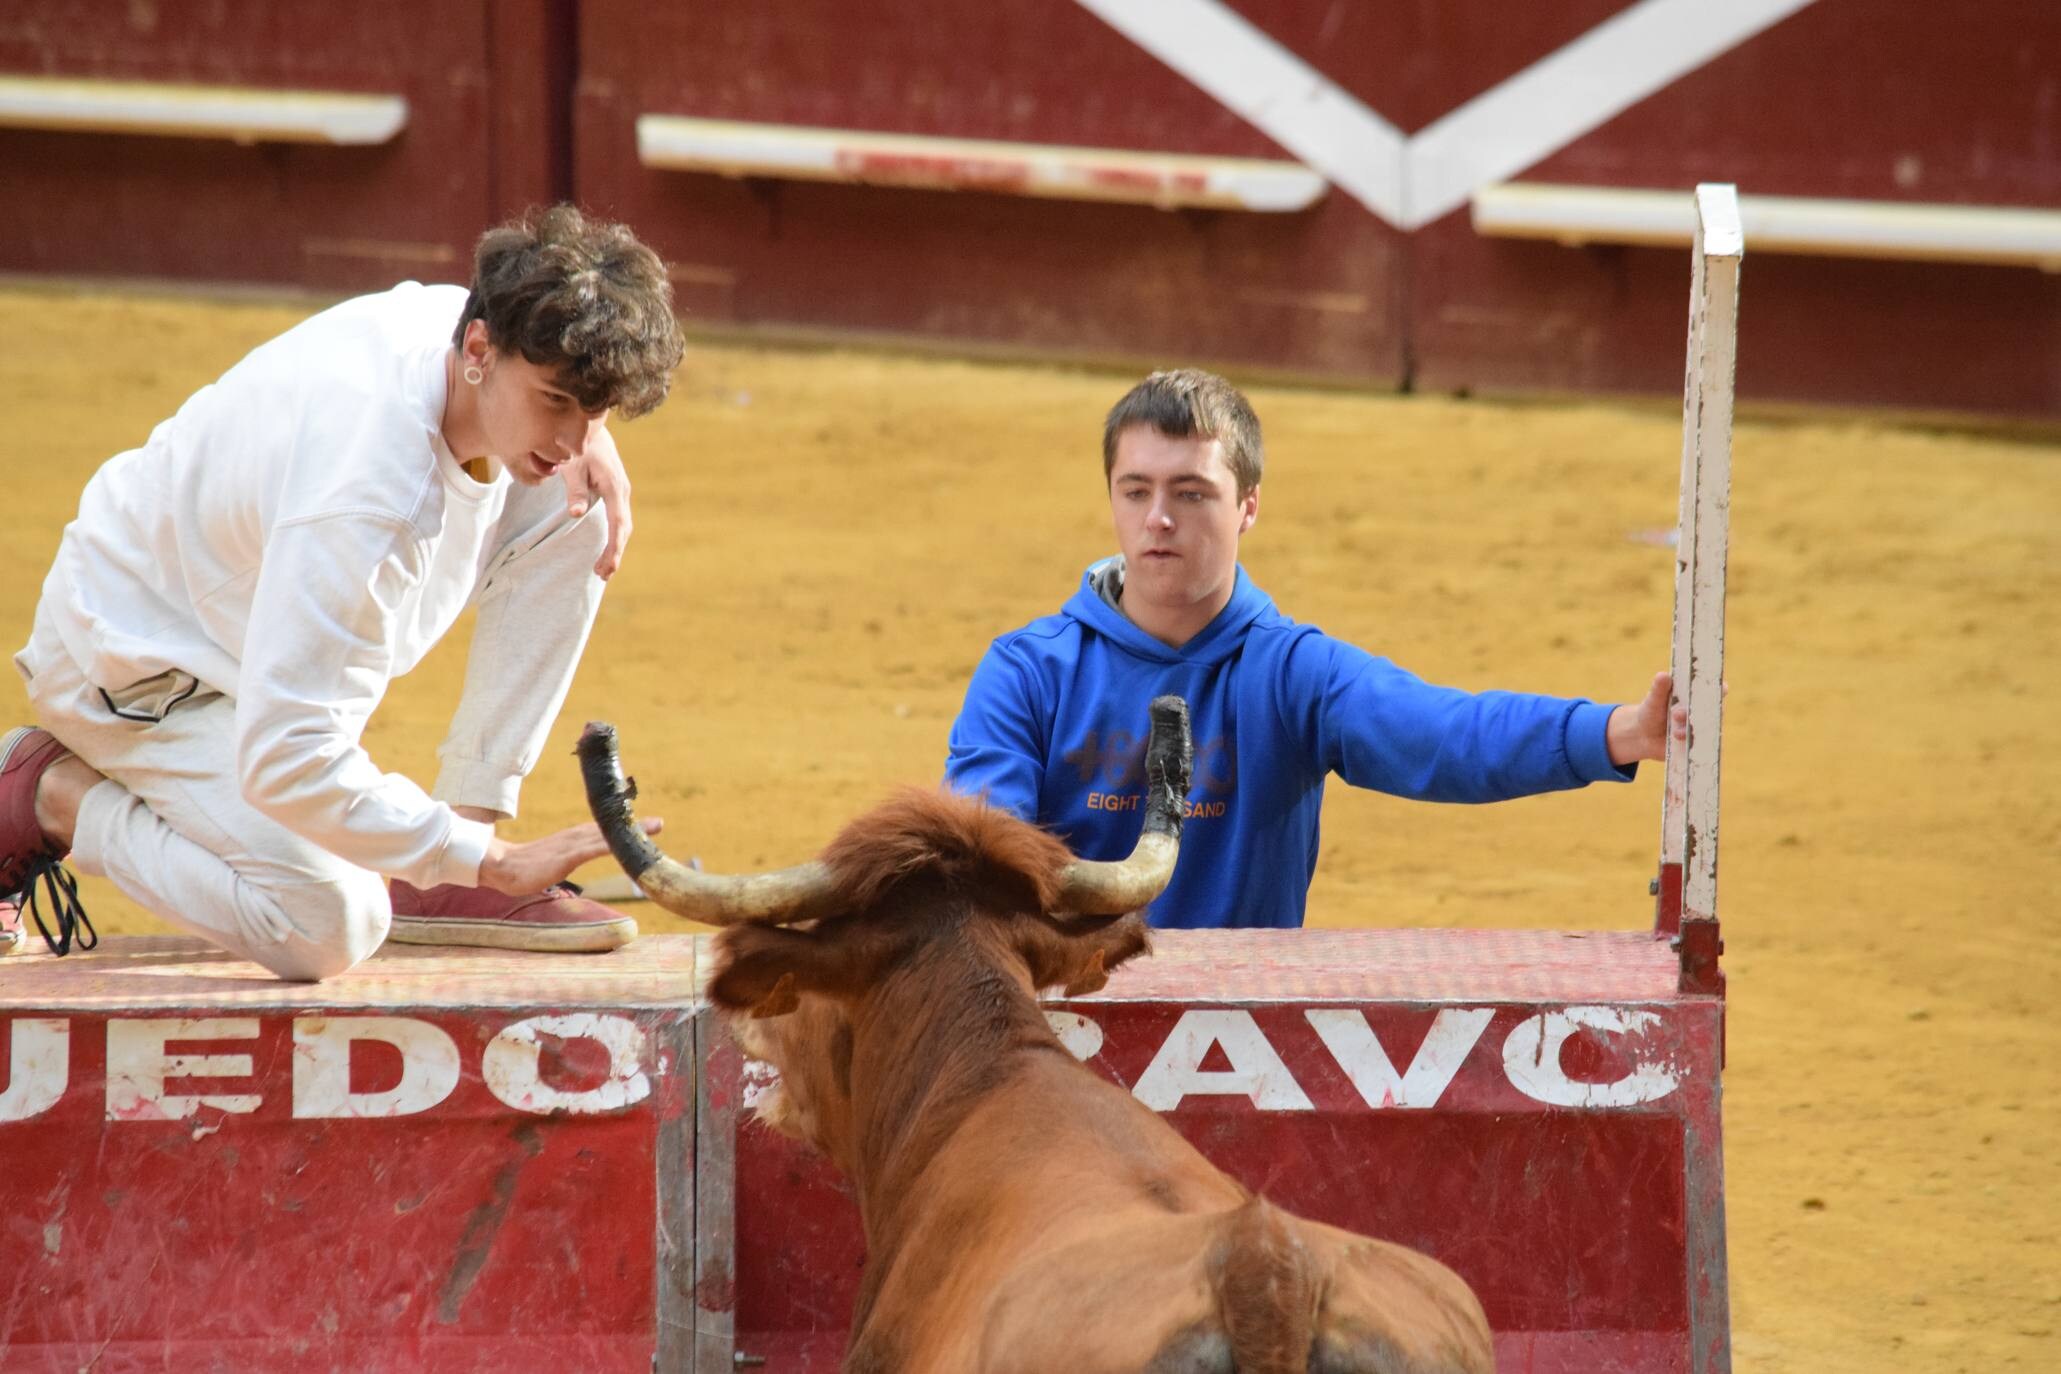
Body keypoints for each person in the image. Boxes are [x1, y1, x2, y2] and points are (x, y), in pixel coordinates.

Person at [0, 205, 684, 976]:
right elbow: (287, 756)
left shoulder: (471, 321)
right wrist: (491, 861)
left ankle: (454, 858)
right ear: (479, 350)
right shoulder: (367, 498)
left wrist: (593, 438)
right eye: (556, 403)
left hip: (224, 616)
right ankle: (46, 793)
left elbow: (556, 396)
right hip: (138, 673)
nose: (570, 437)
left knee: (575, 508)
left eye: (591, 411)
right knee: (331, 925)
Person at [944, 368, 1683, 930]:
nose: (1158, 519)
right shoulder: (1027, 671)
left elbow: (1444, 734)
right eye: (1135, 492)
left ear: (1248, 506)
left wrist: (1617, 732)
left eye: (1191, 493)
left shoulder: (1290, 673)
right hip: (1065, 1020)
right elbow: (983, 856)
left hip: (1235, 1037)